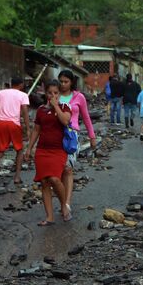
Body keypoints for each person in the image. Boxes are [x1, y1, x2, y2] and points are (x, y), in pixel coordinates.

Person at [24, 80, 71, 225]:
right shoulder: (40, 110)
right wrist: (29, 148)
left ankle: (64, 205)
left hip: (58, 150)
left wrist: (56, 106)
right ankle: (49, 217)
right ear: (46, 93)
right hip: (42, 150)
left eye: (56, 93)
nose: (53, 95)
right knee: (44, 182)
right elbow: (36, 130)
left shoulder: (64, 107)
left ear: (59, 94)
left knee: (55, 179)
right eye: (50, 93)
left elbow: (65, 121)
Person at [58, 70, 97, 215]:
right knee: (58, 171)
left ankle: (67, 203)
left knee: (68, 169)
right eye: (61, 81)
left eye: (66, 81)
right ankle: (62, 199)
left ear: (71, 82)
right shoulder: (55, 95)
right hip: (56, 135)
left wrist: (92, 137)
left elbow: (86, 118)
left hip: (72, 136)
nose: (63, 84)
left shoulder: (79, 97)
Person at [0, 76, 30, 185]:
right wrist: (28, 128)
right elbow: (24, 110)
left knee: (0, 150)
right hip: (13, 124)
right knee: (19, 150)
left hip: (0, 123)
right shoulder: (23, 95)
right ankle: (17, 177)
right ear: (21, 85)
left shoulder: (2, 92)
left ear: (11, 83)